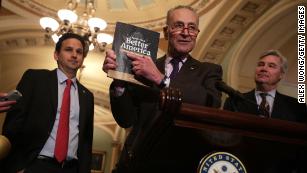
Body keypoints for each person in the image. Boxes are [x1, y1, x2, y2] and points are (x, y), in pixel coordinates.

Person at [103, 5, 222, 173]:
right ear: (166, 32)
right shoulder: (140, 66)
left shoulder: (209, 70)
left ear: (197, 33)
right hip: (137, 163)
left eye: (192, 28)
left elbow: (209, 104)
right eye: (179, 25)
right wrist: (119, 80)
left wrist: (160, 79)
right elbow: (126, 119)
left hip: (182, 164)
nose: (186, 33)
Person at [1, 33, 94, 173]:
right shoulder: (35, 79)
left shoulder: (87, 96)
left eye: (79, 52)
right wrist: (15, 166)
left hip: (70, 168)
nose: (74, 55)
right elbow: (13, 123)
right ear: (56, 55)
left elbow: (86, 142)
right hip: (33, 166)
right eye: (68, 50)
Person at [224, 50, 307, 122]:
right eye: (260, 64)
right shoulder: (234, 102)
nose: (263, 68)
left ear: (281, 74)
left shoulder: (297, 107)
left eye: (271, 66)